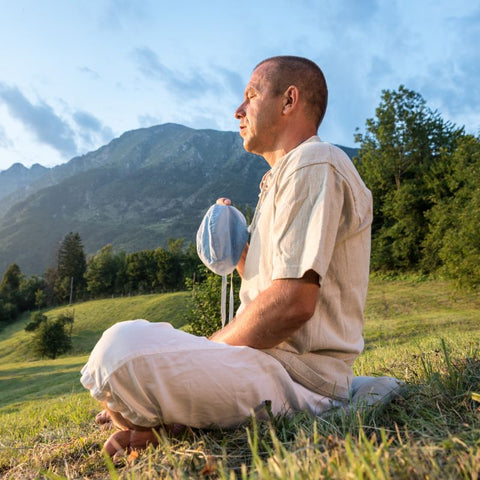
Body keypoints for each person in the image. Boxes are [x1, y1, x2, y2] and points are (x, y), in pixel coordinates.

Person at [80, 55, 372, 457]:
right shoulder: (280, 179)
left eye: (250, 96)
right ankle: (164, 413)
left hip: (300, 380)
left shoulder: (313, 161)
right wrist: (240, 257)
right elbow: (273, 290)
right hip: (270, 367)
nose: (238, 110)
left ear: (289, 101)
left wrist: (205, 351)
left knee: (118, 351)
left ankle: (156, 411)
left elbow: (291, 304)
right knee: (125, 358)